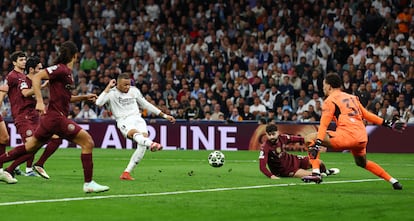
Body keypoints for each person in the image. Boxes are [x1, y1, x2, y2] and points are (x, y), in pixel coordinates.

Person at [0, 41, 109, 193]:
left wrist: (84, 97)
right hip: (56, 118)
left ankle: (11, 168)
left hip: (51, 119)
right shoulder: (61, 69)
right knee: (87, 142)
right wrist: (39, 101)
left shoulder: (68, 74)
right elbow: (38, 77)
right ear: (75, 55)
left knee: (30, 147)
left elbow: (67, 98)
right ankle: (88, 183)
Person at [302, 73, 406, 190]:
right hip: (361, 137)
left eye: (324, 85)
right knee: (362, 163)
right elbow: (366, 114)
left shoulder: (330, 101)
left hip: (346, 136)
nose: (323, 88)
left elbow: (323, 125)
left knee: (309, 138)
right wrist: (387, 123)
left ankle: (316, 173)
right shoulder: (352, 97)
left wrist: (318, 143)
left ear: (329, 86)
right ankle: (393, 181)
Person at [96, 72, 176, 181]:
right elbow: (98, 103)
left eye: (129, 84)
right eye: (125, 85)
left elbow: (146, 104)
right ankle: (152, 143)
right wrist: (108, 87)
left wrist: (164, 115)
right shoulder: (111, 93)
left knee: (141, 144)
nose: (128, 87)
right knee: (136, 135)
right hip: (124, 120)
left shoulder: (134, 90)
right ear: (118, 84)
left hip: (138, 119)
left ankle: (126, 172)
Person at [1, 55, 63, 181]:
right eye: (39, 68)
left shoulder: (29, 79)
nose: (42, 71)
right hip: (23, 116)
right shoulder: (19, 79)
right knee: (30, 146)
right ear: (32, 69)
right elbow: (24, 92)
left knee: (55, 138)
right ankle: (11, 168)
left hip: (34, 115)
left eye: (24, 59)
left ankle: (36, 164)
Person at [259, 124, 339, 179]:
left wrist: (312, 140)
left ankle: (326, 172)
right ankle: (321, 174)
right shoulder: (265, 147)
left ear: (278, 132)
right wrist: (271, 176)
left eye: (273, 134)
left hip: (293, 160)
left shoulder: (283, 138)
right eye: (269, 135)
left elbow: (299, 139)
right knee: (313, 174)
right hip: (285, 170)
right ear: (266, 134)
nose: (271, 137)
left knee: (319, 162)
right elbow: (262, 167)